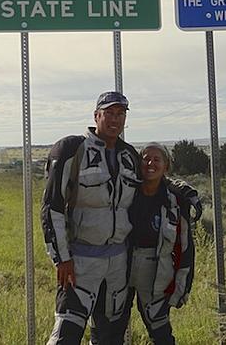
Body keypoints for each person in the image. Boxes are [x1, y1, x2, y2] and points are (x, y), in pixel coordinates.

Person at [41, 91, 201, 345]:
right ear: (96, 116)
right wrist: (62, 259)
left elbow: (152, 177)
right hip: (81, 261)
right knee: (66, 333)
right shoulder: (72, 150)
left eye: (121, 114)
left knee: (110, 336)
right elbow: (52, 207)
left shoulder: (128, 155)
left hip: (118, 264)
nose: (115, 119)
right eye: (109, 113)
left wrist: (181, 190)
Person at [91, 142, 195, 345]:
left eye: (157, 160)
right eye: (146, 158)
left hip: (156, 271)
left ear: (166, 166)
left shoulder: (175, 200)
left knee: (160, 330)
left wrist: (183, 284)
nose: (150, 163)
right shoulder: (126, 191)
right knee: (110, 328)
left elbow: (186, 246)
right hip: (120, 265)